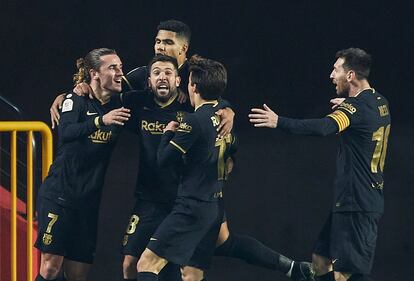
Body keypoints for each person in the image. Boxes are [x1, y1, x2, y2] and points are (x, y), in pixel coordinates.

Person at [249, 48, 391, 281]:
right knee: (321, 260)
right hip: (353, 200)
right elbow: (363, 118)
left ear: (350, 75)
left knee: (346, 274)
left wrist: (278, 122)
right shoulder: (378, 101)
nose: (331, 75)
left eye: (336, 69)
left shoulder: (355, 109)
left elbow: (323, 128)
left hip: (358, 203)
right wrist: (349, 104)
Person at [34, 48, 131, 281]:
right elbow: (66, 132)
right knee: (50, 268)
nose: (120, 72)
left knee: (78, 275)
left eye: (121, 66)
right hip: (60, 195)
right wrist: (100, 120)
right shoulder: (75, 99)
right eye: (112, 67)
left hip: (88, 202)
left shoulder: (121, 101)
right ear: (94, 73)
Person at [136, 55, 231, 281]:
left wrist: (168, 133)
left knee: (146, 264)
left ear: (192, 86)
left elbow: (164, 159)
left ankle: (292, 268)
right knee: (189, 273)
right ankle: (292, 268)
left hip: (190, 206)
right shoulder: (220, 118)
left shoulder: (194, 120)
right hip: (208, 203)